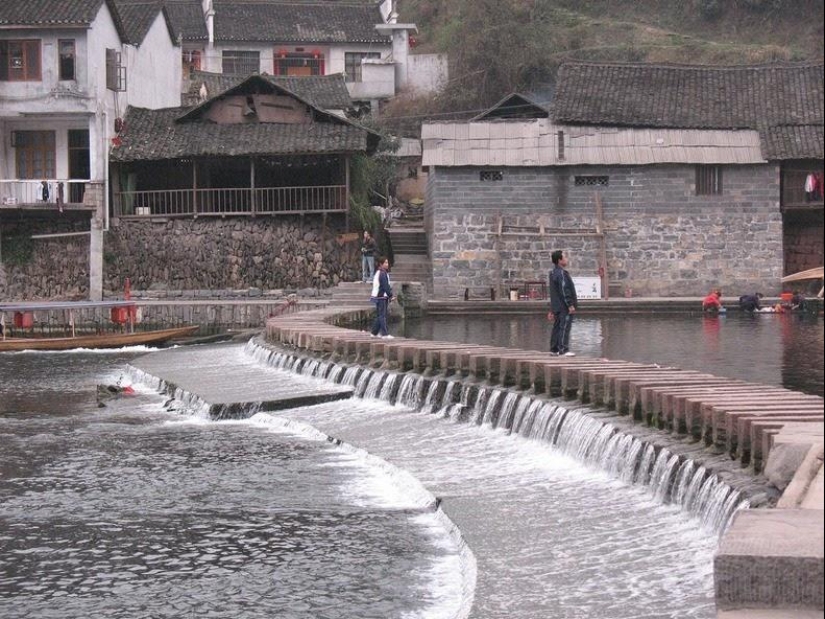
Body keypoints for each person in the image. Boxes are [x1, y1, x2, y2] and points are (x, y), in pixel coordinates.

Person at [547, 249, 578, 356]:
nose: (567, 259)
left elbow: (553, 293)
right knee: (564, 327)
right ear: (560, 260)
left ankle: (554, 349)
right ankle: (563, 349)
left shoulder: (552, 273)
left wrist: (551, 309)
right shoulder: (561, 274)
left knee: (557, 327)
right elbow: (564, 290)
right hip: (564, 307)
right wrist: (570, 304)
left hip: (556, 306)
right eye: (565, 257)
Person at [370, 256, 394, 338]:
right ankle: (384, 334)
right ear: (381, 264)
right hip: (381, 296)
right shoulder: (382, 273)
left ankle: (374, 332)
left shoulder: (379, 272)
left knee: (379, 315)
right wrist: (390, 295)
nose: (387, 264)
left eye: (387, 262)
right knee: (382, 316)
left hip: (379, 296)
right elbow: (385, 286)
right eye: (385, 263)